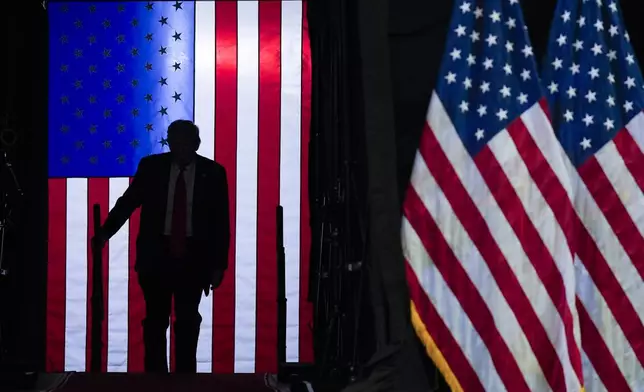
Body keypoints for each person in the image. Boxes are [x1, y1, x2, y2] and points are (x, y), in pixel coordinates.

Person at [93, 119, 230, 373]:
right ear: (168, 142)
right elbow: (128, 202)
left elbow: (221, 222)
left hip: (193, 258)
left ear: (196, 144)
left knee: (187, 320)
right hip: (156, 257)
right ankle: (155, 379)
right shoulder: (152, 167)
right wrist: (105, 232)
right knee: (156, 320)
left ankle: (185, 378)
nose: (179, 147)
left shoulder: (213, 173)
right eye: (174, 141)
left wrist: (219, 265)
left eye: (185, 142)